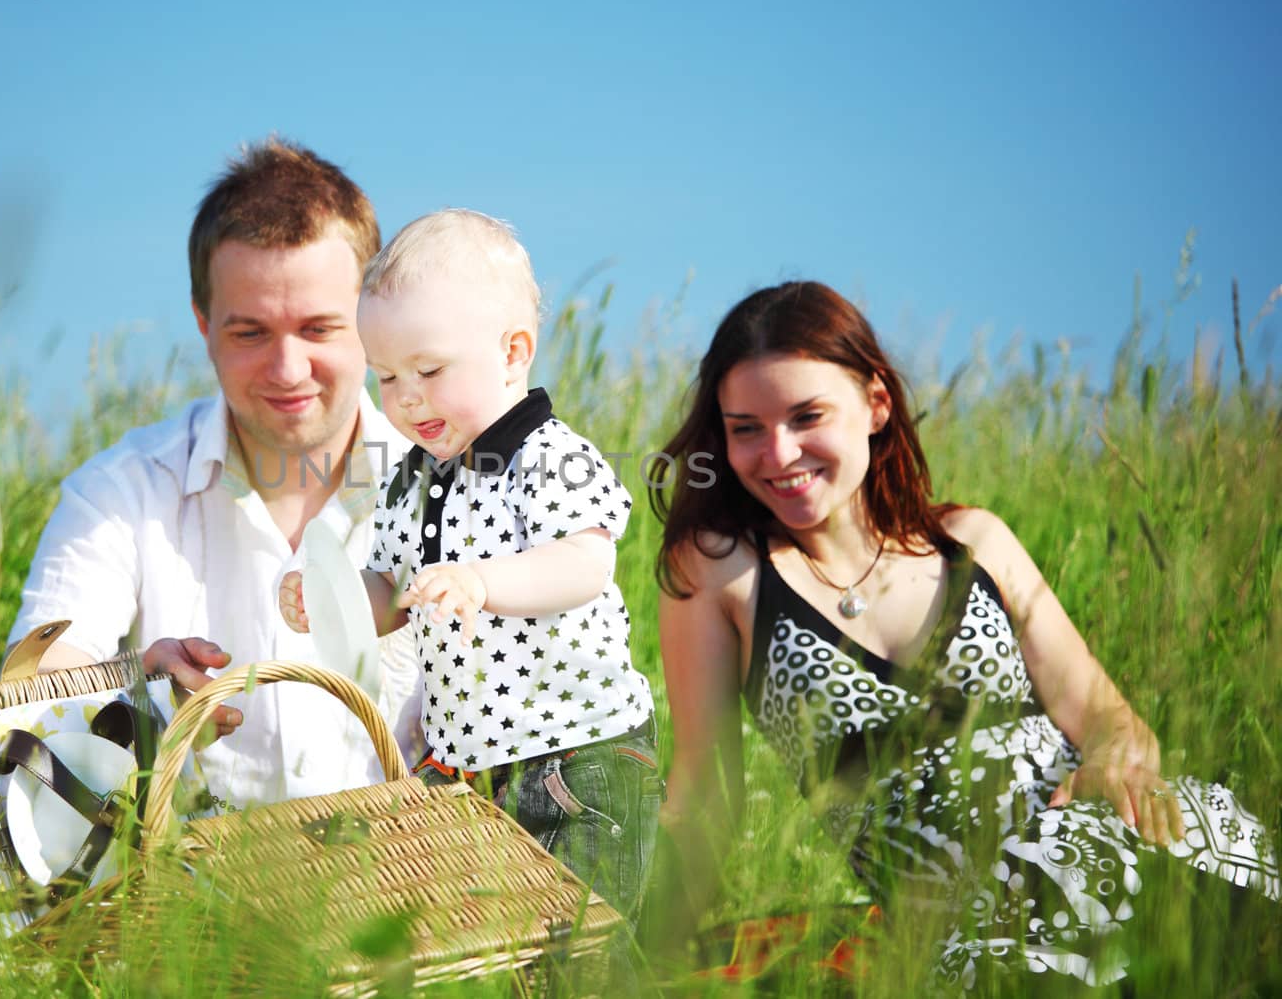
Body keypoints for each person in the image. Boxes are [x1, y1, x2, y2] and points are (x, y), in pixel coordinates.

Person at [647, 281, 1279, 987]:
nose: (779, 451)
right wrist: (637, 956)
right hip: (964, 914)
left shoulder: (972, 541)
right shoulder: (721, 571)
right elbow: (706, 791)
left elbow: (1106, 714)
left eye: (807, 415)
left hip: (1098, 839)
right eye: (746, 429)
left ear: (876, 405)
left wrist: (1112, 764)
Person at [6, 138, 418, 808]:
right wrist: (132, 688)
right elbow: (30, 674)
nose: (288, 371)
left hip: (421, 884)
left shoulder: (456, 485)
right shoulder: (120, 492)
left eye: (317, 329)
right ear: (203, 323)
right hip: (196, 902)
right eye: (250, 333)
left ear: (371, 319)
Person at [278, 209, 660, 916]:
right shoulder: (412, 480)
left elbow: (585, 563)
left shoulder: (548, 455)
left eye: (428, 369)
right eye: (387, 377)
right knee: (477, 945)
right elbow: (395, 591)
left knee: (581, 944)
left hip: (579, 756)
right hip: (465, 764)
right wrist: (336, 596)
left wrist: (481, 581)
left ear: (514, 353)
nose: (407, 396)